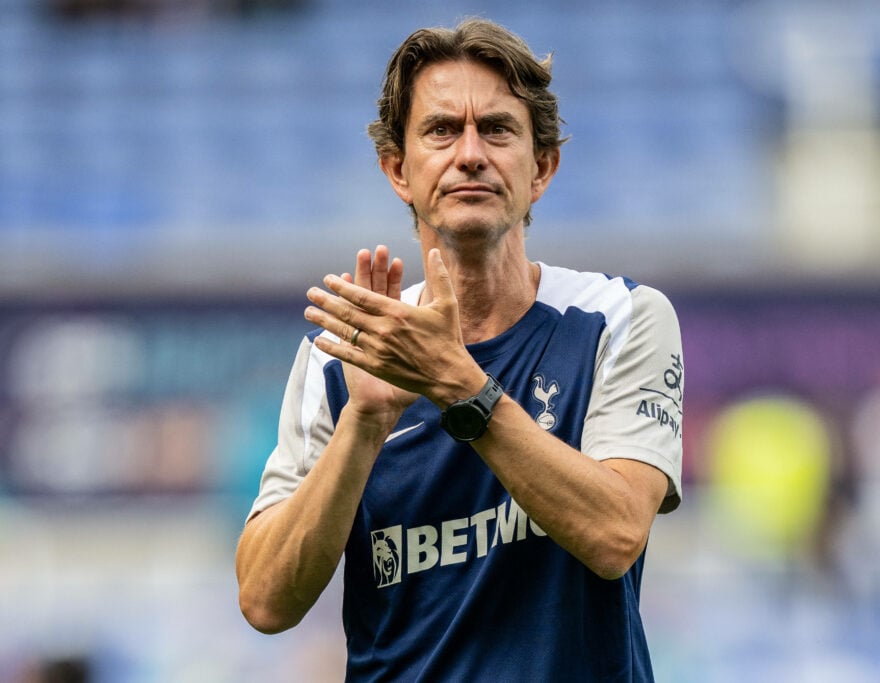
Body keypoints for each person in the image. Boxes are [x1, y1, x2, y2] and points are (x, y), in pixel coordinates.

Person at [236, 17, 683, 681]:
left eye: (497, 129)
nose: (469, 153)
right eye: (441, 130)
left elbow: (616, 534)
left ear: (543, 167)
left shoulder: (619, 320)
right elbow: (265, 599)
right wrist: (361, 426)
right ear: (398, 169)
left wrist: (461, 386)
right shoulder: (341, 358)